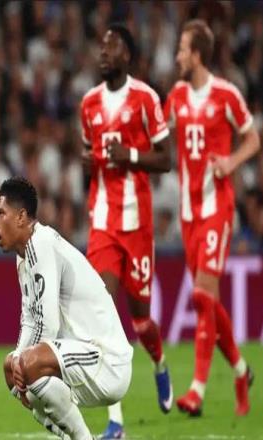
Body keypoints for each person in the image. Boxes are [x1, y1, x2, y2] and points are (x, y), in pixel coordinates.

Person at [80, 23, 173, 438]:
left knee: (140, 322)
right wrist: (89, 163)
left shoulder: (145, 98)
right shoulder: (89, 104)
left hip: (137, 225)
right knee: (101, 310)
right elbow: (91, 154)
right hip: (102, 222)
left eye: (113, 46)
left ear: (128, 56)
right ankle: (115, 420)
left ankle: (159, 362)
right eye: (102, 46)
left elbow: (165, 159)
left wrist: (130, 155)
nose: (104, 52)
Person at [163, 19, 260, 417]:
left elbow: (253, 138)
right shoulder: (177, 96)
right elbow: (157, 135)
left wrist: (231, 162)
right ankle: (240, 371)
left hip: (217, 207)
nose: (177, 57)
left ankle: (197, 391)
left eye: (182, 49)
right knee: (209, 302)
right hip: (189, 214)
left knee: (203, 296)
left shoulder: (226, 95)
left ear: (197, 55)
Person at [0, 176, 133, 440]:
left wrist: (24, 362)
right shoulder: (23, 258)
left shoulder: (42, 244)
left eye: (1, 214)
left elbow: (48, 325)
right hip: (81, 356)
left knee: (29, 363)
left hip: (107, 361)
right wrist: (18, 362)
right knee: (11, 367)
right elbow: (30, 319)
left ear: (21, 217)